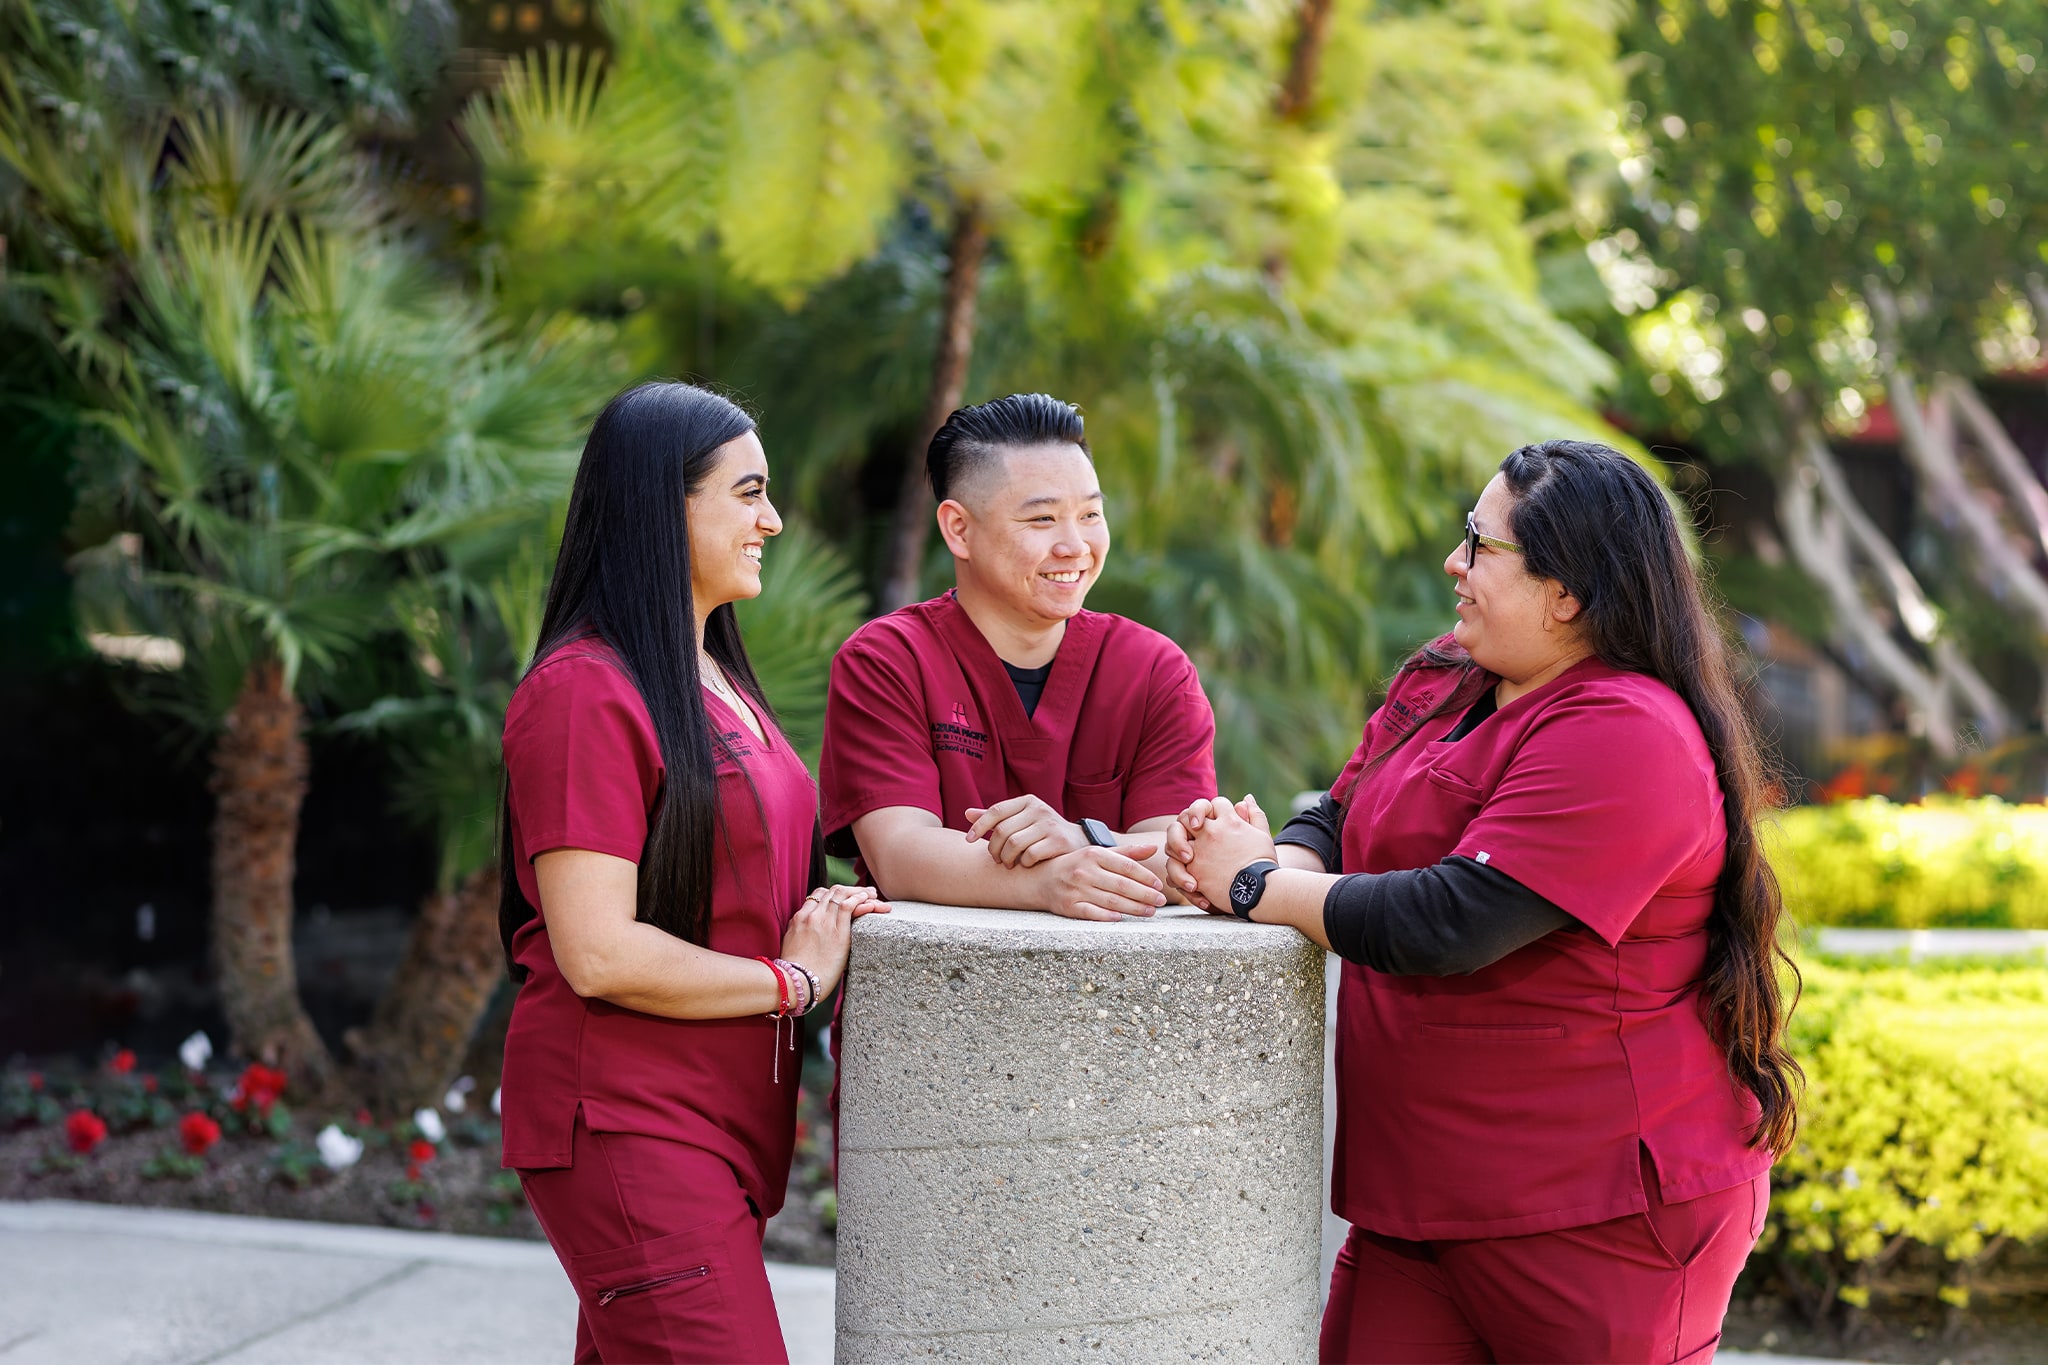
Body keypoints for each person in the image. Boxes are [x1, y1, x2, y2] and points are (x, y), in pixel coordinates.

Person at [1171, 440, 1801, 1364]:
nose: (1453, 565)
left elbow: (1453, 920)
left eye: (1480, 543)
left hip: (1601, 1215)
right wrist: (1267, 854)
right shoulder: (1447, 671)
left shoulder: (1630, 731)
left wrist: (1253, 885)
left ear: (1568, 594)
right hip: (1421, 1197)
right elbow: (1344, 813)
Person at [496, 381, 886, 1365]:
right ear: (660, 507)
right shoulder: (586, 691)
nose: (774, 519)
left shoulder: (711, 674)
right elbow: (595, 952)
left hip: (717, 1132)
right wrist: (790, 983)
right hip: (628, 1125)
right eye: (747, 492)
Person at [819, 392, 1216, 918]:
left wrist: (1079, 838)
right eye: (1042, 520)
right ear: (959, 529)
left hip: (1126, 993)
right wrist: (1048, 882)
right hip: (932, 990)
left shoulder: (1152, 668)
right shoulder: (888, 660)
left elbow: (1182, 862)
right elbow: (900, 854)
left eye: (1090, 514)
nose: (1075, 545)